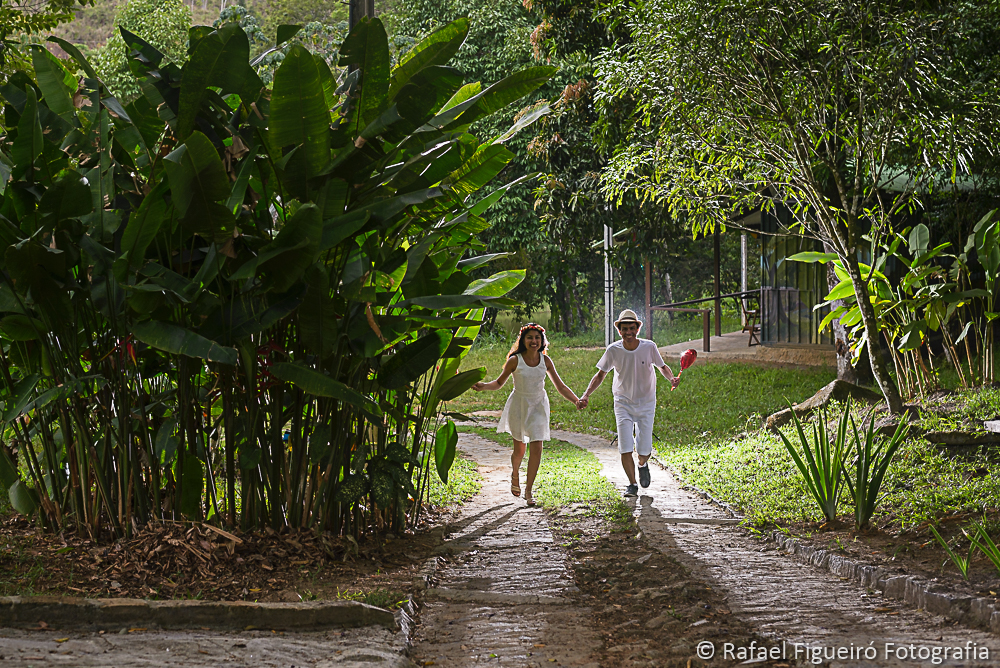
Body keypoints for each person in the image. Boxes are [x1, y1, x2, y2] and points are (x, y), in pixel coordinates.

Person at [472, 324, 581, 506]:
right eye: (530, 337)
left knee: (537, 448)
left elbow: (560, 386)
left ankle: (529, 490)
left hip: (538, 406)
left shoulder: (546, 361)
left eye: (537, 338)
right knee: (520, 450)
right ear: (523, 340)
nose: (534, 341)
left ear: (542, 341)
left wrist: (576, 400)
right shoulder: (515, 360)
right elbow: (499, 383)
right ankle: (515, 473)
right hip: (519, 406)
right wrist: (483, 386)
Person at [577, 309, 678, 497]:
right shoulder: (613, 350)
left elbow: (662, 367)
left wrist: (671, 378)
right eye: (624, 329)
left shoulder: (649, 347)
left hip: (646, 402)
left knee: (644, 449)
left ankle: (643, 465)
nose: (628, 332)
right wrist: (586, 395)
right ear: (619, 330)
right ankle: (632, 484)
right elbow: (600, 375)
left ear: (638, 329)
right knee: (625, 446)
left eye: (632, 328)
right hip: (622, 402)